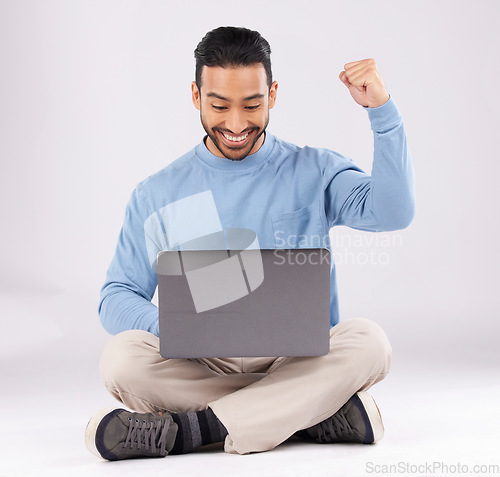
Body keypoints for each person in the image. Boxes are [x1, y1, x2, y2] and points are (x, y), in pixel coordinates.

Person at [85, 25, 415, 460]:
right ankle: (307, 413)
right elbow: (116, 296)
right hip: (201, 362)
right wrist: (174, 325)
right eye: (219, 105)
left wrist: (382, 112)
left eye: (252, 104)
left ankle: (194, 430)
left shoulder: (315, 169)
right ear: (196, 95)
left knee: (370, 342)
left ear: (273, 94)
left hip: (297, 359)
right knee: (121, 359)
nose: (236, 124)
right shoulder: (157, 193)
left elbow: (394, 212)